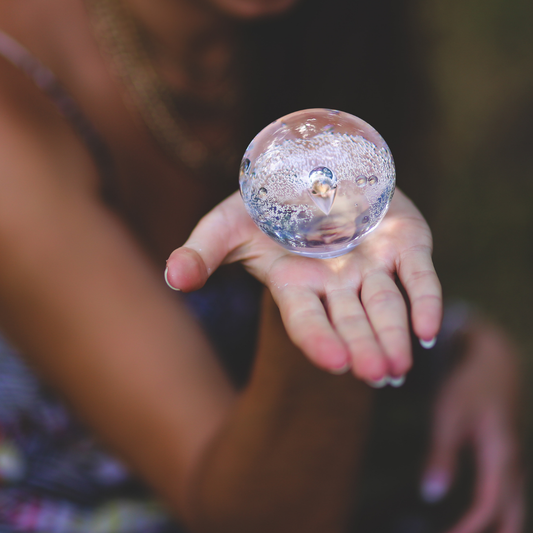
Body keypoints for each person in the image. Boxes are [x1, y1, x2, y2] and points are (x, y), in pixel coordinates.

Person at [0, 0, 523, 531]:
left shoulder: (324, 30)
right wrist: (323, 296)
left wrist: (459, 345)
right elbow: (256, 519)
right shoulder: (13, 111)